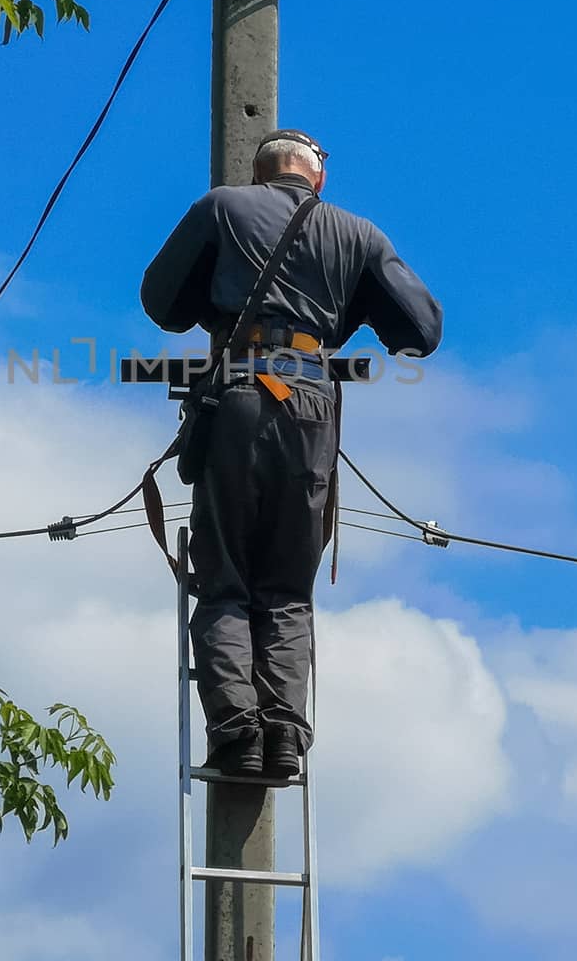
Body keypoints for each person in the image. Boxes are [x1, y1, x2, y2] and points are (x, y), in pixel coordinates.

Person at [140, 129, 442, 777]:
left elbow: (161, 303)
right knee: (286, 591)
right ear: (318, 178)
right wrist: (343, 308)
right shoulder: (358, 233)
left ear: (258, 173)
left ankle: (236, 734)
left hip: (240, 397)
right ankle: (283, 740)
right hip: (310, 406)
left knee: (226, 583)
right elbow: (422, 330)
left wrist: (218, 300)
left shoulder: (222, 207)